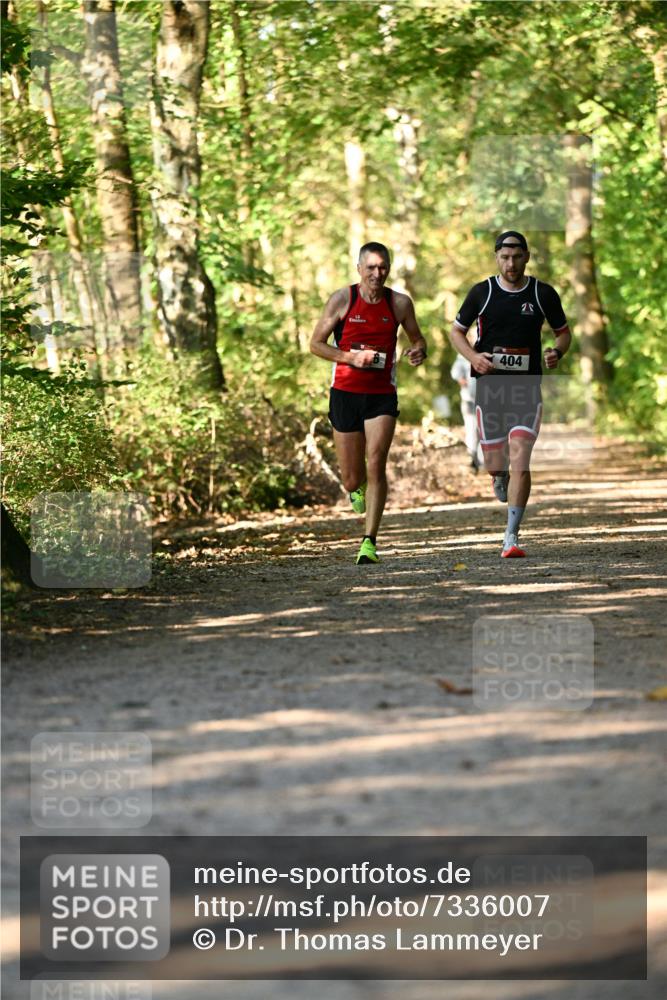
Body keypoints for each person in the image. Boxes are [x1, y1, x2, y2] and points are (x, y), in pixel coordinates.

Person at [448, 231, 572, 558]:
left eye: (517, 256)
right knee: (495, 463)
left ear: (527, 257)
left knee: (521, 457)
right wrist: (473, 358)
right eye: (505, 257)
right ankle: (496, 475)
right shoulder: (482, 292)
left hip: (526, 389)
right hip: (489, 390)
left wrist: (556, 353)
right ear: (496, 258)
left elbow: (563, 333)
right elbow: (456, 332)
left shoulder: (542, 293)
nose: (511, 263)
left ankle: (511, 535)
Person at [310, 242, 427, 564]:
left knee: (376, 463)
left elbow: (418, 337)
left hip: (381, 396)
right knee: (351, 477)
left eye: (383, 267)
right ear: (359, 268)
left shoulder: (399, 303)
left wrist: (419, 349)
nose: (377, 273)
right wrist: (350, 357)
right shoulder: (343, 299)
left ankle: (369, 541)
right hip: (345, 393)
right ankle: (355, 487)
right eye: (371, 267)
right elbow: (316, 344)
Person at [450, 354, 483, 471]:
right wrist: (462, 380)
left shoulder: (489, 347)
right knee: (472, 430)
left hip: (489, 400)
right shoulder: (464, 354)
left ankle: (483, 460)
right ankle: (473, 459)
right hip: (470, 401)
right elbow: (455, 372)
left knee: (485, 431)